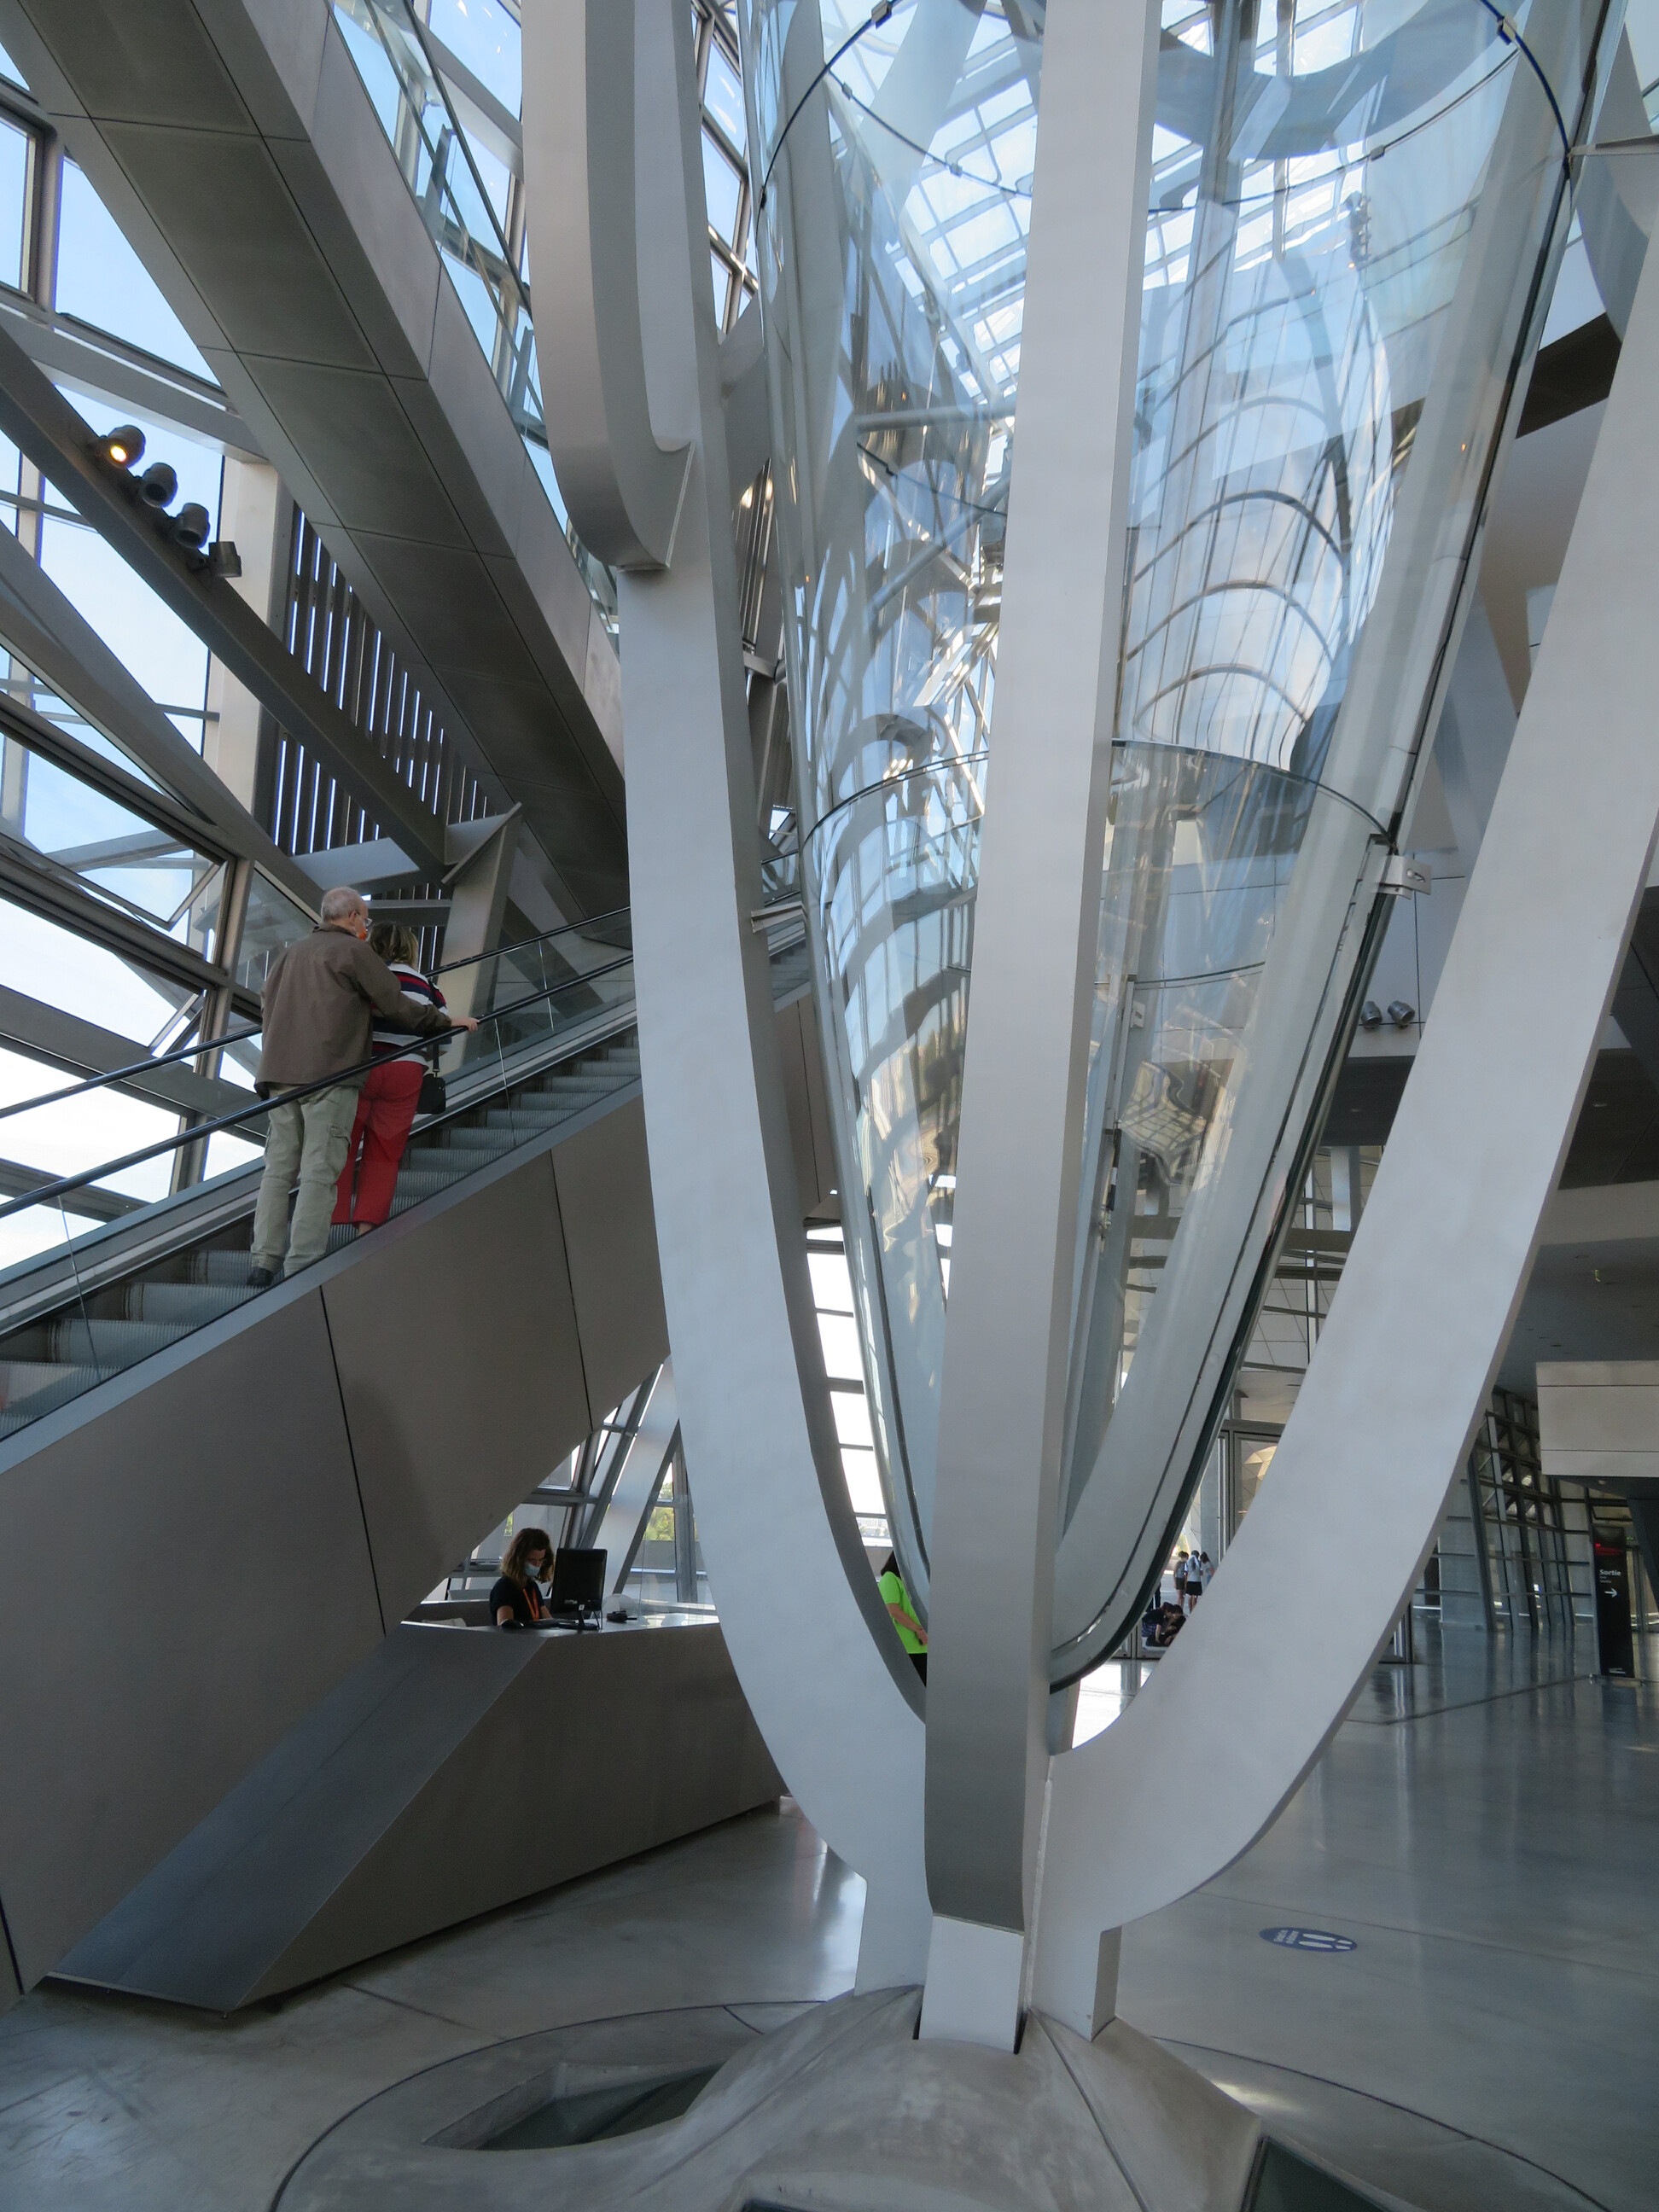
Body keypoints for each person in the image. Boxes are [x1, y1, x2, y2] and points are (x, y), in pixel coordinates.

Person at [247, 886, 475, 1287]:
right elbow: (394, 1003)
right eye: (364, 919)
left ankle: (263, 1261)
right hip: (330, 1075)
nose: (365, 927)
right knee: (319, 1169)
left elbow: (267, 1003)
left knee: (278, 1170)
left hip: (280, 1074)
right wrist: (444, 1021)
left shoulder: (290, 954)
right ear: (352, 917)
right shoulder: (354, 951)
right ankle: (302, 1264)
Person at [332, 922, 448, 1235]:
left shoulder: (364, 978)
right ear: (411, 949)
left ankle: (329, 1222)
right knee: (385, 1154)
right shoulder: (427, 986)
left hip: (360, 1068)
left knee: (340, 1145)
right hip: (405, 1073)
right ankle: (366, 1229)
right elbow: (444, 1041)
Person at [877, 1551, 928, 1681]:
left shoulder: (913, 1583)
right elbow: (893, 1609)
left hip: (923, 1647)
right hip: (905, 1647)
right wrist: (919, 1630)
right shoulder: (890, 1578)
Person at [491, 1527, 554, 1628]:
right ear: (519, 1559)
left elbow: (550, 1622)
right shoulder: (504, 1586)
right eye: (532, 1560)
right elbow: (505, 1628)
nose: (537, 1565)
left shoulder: (532, 1586)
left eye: (541, 1560)